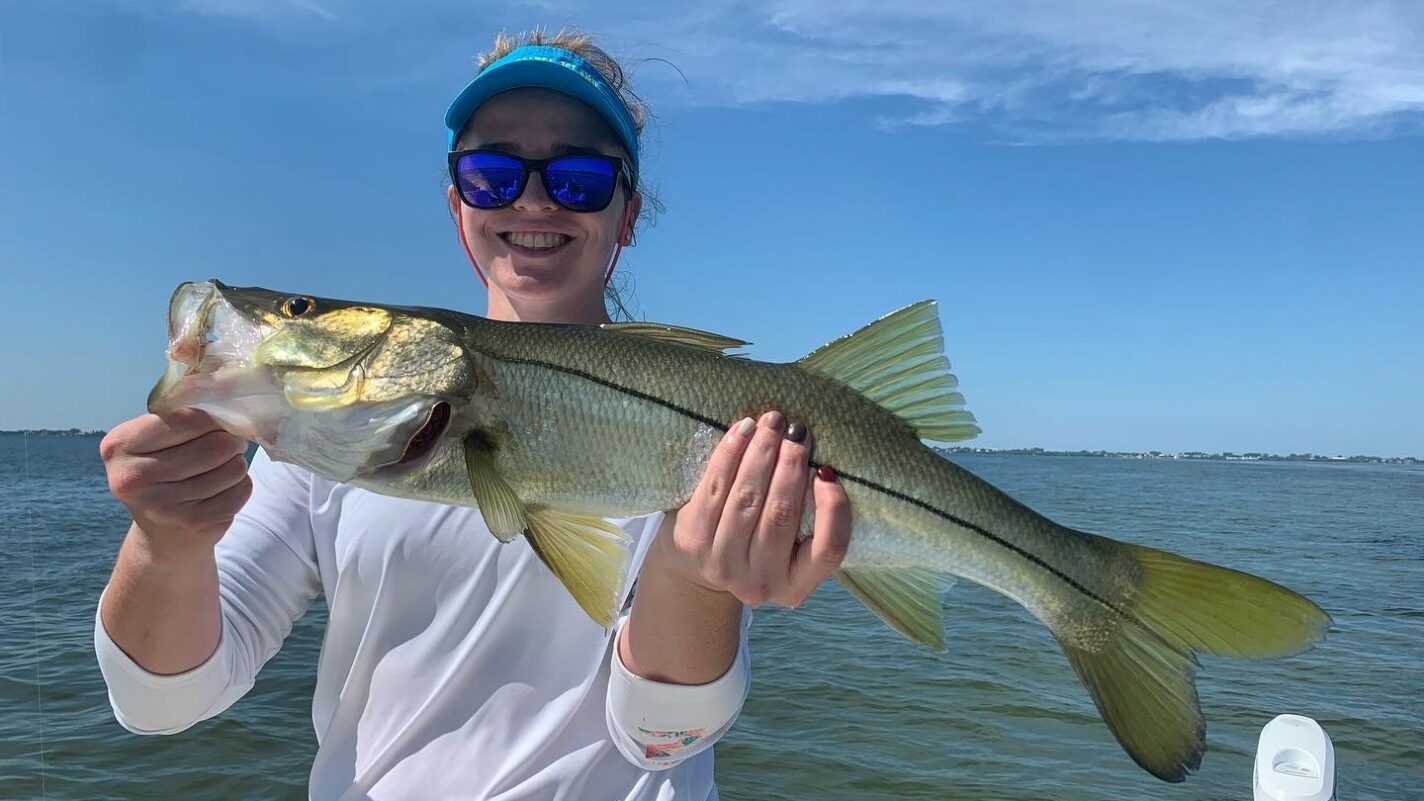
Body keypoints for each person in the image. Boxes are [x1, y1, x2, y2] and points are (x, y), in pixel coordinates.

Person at [95, 29, 852, 801]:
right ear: (458, 205)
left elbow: (660, 739)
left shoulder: (716, 428)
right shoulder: (312, 445)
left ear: (626, 216)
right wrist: (165, 543)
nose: (532, 199)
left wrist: (698, 581)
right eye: (491, 175)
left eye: (580, 178)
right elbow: (164, 701)